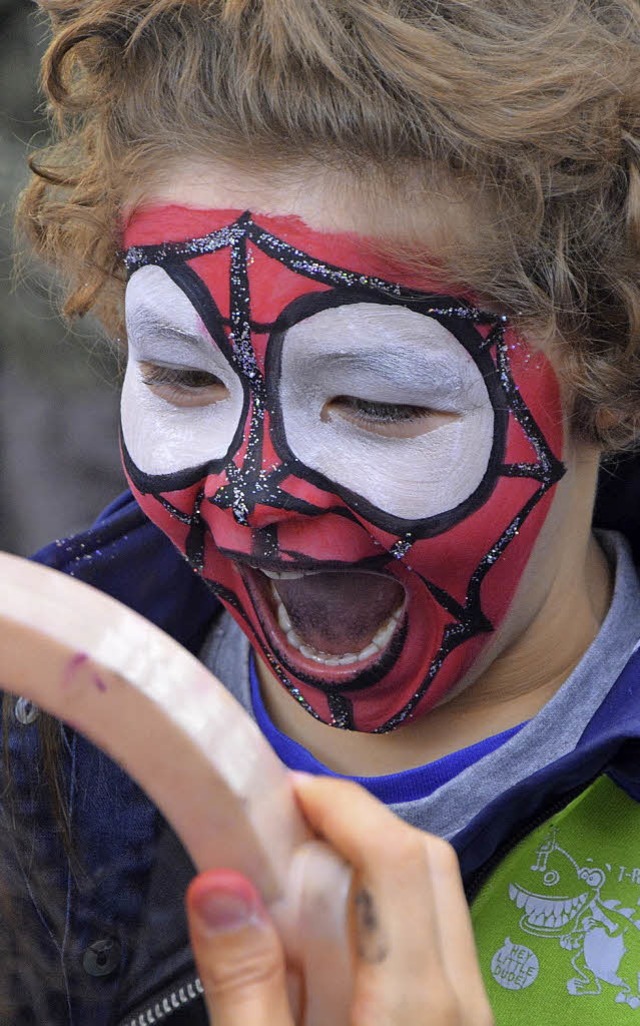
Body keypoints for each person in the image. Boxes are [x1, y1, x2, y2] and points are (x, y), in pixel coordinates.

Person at [8, 0, 640, 1022]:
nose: (249, 491)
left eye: (380, 403)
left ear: (612, 376)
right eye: (180, 378)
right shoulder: (32, 741)